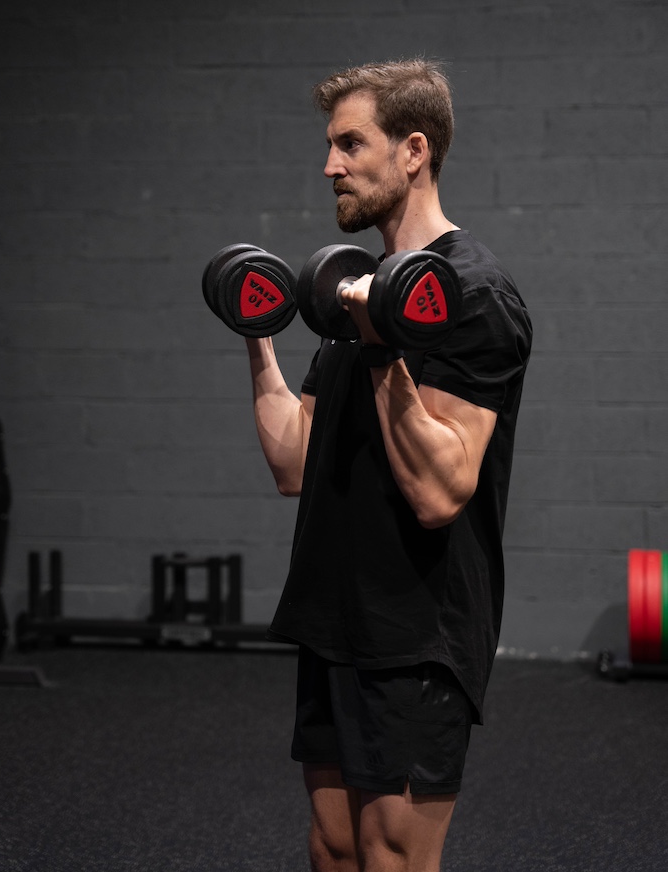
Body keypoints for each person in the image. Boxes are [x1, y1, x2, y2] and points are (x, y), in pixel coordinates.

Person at [243, 59, 532, 871]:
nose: (329, 165)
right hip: (333, 615)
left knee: (391, 859)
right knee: (335, 848)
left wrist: (382, 345)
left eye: (348, 145)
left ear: (413, 151)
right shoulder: (350, 292)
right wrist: (257, 335)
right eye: (330, 146)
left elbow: (441, 491)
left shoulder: (472, 295)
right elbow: (292, 462)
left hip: (416, 629)